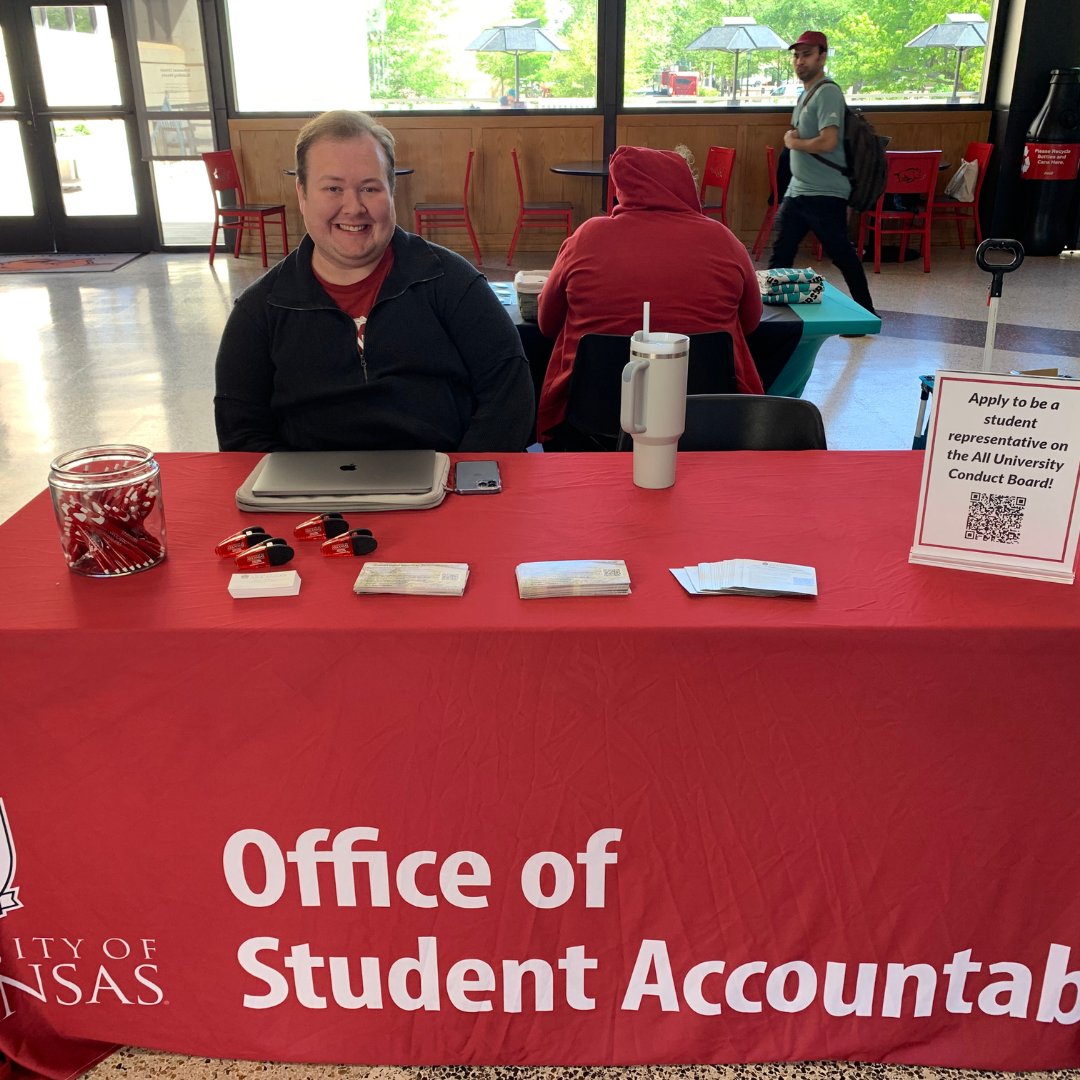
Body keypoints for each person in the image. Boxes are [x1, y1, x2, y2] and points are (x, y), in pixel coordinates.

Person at [214, 110, 533, 452]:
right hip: (310, 498)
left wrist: (464, 480)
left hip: (443, 486)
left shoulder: (454, 284)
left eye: (370, 188)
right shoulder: (258, 312)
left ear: (392, 192)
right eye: (333, 188)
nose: (353, 207)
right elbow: (241, 435)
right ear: (302, 194)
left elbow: (508, 395)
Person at [536, 145, 763, 444]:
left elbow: (546, 324)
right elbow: (751, 322)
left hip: (592, 416)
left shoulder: (587, 237)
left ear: (622, 188)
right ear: (685, 185)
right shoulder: (723, 239)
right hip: (708, 417)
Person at [768, 30, 877, 318]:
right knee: (781, 252)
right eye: (796, 55)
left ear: (822, 56)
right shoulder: (807, 93)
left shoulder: (828, 91)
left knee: (841, 254)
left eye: (806, 55)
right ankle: (770, 314)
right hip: (800, 191)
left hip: (824, 193)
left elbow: (828, 141)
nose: (799, 61)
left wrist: (793, 143)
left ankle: (866, 313)